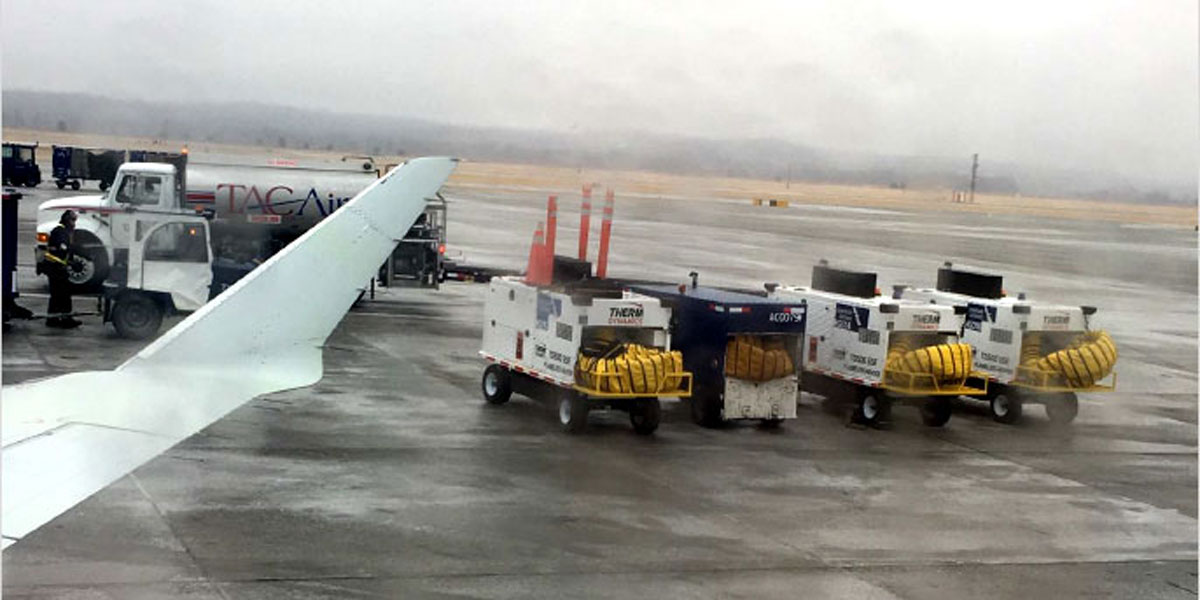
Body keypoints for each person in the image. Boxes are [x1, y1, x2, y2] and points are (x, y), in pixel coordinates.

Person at [44, 210, 80, 329]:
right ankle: (65, 319)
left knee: (57, 294)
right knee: (63, 294)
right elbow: (62, 249)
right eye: (72, 220)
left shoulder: (62, 231)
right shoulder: (61, 232)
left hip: (56, 267)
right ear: (66, 220)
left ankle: (52, 318)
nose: (74, 224)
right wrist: (71, 262)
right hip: (56, 268)